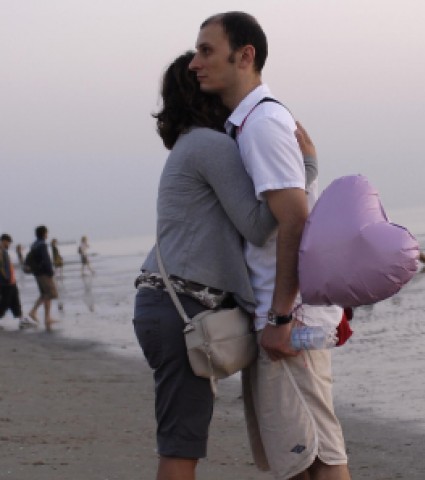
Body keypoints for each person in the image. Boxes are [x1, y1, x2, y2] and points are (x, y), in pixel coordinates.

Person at [132, 51, 318, 480]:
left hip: (171, 303)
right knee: (182, 443)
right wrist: (304, 169)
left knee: (183, 437)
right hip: (182, 307)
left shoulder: (193, 144)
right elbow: (258, 225)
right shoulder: (210, 144)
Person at [190, 12, 351, 480]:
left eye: (206, 51)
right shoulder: (250, 123)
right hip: (285, 316)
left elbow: (295, 221)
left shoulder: (260, 124)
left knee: (316, 456)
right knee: (299, 458)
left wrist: (280, 317)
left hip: (289, 320)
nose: (195, 63)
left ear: (245, 56)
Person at [0, 234, 37, 329]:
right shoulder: (0, 251)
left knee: (15, 300)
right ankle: (21, 319)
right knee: (5, 302)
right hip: (6, 282)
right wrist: (6, 278)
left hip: (11, 281)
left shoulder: (4, 251)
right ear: (4, 241)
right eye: (8, 242)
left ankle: (21, 319)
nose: (9, 244)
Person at [27, 226, 58, 330]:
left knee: (45, 294)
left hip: (37, 273)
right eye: (46, 232)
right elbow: (46, 259)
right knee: (49, 294)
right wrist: (50, 272)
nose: (47, 234)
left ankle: (47, 318)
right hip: (44, 273)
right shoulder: (42, 245)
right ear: (44, 233)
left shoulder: (34, 244)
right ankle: (34, 311)